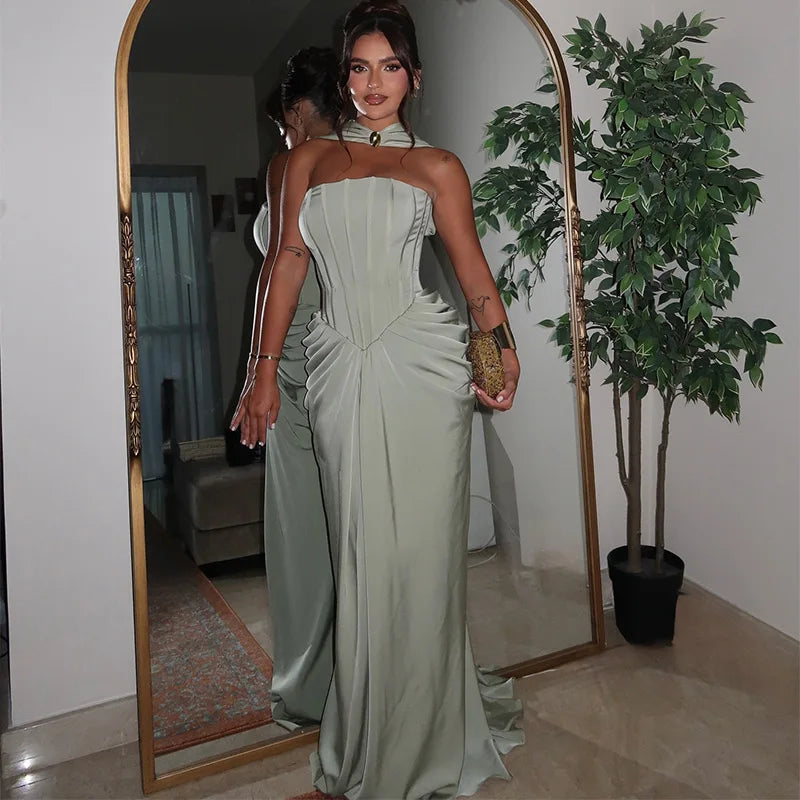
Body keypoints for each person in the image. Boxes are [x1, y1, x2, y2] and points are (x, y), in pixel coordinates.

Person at [238, 1, 524, 796]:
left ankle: (430, 732)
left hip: (423, 373)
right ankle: (370, 730)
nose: (372, 84)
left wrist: (500, 353)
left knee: (423, 560)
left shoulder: (436, 168)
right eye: (359, 68)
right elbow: (287, 264)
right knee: (361, 554)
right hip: (337, 368)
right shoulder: (305, 162)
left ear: (413, 78)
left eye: (388, 67)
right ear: (344, 76)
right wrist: (264, 369)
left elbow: (473, 280)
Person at [230, 46, 340, 731]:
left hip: (296, 357)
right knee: (352, 528)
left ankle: (310, 684)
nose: (283, 131)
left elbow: (279, 266)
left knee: (303, 531)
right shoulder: (367, 159)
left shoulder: (291, 163)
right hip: (348, 352)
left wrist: (256, 373)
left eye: (283, 119)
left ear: (298, 108)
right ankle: (363, 672)